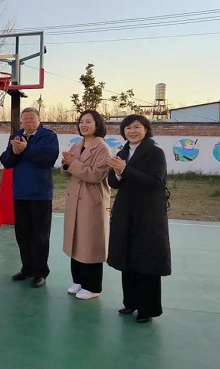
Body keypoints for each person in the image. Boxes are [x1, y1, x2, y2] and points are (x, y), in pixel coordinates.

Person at [107, 114, 171, 323]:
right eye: (128, 128)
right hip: (125, 211)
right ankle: (131, 302)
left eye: (136, 127)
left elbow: (155, 181)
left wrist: (125, 170)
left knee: (147, 260)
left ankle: (148, 308)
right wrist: (118, 173)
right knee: (127, 257)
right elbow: (113, 182)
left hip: (148, 214)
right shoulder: (122, 152)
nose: (132, 131)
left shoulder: (155, 153)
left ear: (146, 129)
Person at [0, 107, 59, 288]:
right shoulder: (17, 135)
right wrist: (15, 152)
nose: (28, 122)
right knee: (22, 234)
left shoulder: (48, 136)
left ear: (39, 120)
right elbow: (6, 161)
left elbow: (48, 159)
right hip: (20, 193)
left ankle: (40, 272)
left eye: (32, 119)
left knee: (40, 235)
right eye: (25, 119)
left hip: (41, 193)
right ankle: (27, 268)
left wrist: (26, 149)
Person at [61, 110, 111, 300]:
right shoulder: (76, 145)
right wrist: (66, 164)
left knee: (90, 244)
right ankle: (79, 280)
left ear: (97, 125)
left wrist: (73, 163)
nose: (84, 125)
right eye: (81, 121)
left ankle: (93, 286)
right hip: (75, 199)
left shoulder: (102, 148)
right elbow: (66, 172)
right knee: (76, 240)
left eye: (88, 121)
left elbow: (96, 175)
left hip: (92, 201)